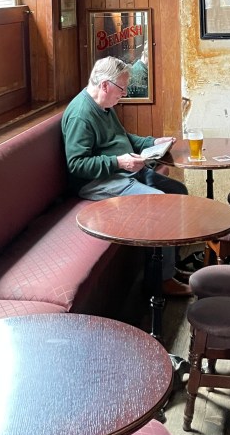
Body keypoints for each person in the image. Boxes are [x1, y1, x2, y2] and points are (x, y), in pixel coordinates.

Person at [62, 55, 191, 296]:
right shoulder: (81, 115)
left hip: (122, 171)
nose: (124, 94)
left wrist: (153, 142)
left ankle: (170, 268)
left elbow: (123, 138)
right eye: (122, 88)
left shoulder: (104, 104)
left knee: (178, 192)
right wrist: (118, 162)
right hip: (97, 182)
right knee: (162, 204)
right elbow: (77, 165)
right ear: (105, 85)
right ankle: (160, 281)